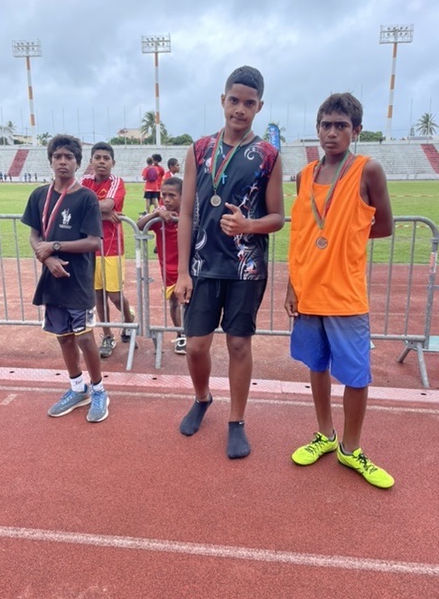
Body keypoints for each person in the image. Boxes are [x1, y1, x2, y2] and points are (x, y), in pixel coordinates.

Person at [284, 92, 394, 488]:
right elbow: (300, 235)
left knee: (356, 375)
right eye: (326, 125)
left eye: (341, 126)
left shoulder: (368, 170)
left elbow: (385, 226)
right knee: (317, 366)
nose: (332, 133)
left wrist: (345, 240)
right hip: (308, 292)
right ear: (317, 129)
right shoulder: (304, 175)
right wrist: (293, 285)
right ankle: (325, 435)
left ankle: (351, 448)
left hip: (346, 295)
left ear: (356, 130)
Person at [175, 65, 285, 459]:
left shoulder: (268, 155)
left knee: (239, 344)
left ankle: (236, 421)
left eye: (249, 103)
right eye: (234, 100)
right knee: (195, 346)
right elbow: (185, 212)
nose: (240, 109)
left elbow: (278, 217)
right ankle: (202, 397)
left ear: (259, 107)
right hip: (202, 265)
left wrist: (248, 225)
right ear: (223, 100)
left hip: (245, 267)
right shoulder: (199, 149)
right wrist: (182, 271)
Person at [21, 134, 109, 423]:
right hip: (52, 279)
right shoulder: (39, 196)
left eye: (68, 157)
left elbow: (94, 241)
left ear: (77, 163)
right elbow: (34, 236)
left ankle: (99, 390)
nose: (62, 161)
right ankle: (77, 388)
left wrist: (55, 246)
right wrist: (47, 258)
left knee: (85, 338)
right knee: (64, 338)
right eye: (57, 156)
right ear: (50, 161)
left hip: (78, 280)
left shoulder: (86, 198)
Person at [80, 141, 135, 358]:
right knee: (97, 295)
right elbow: (74, 204)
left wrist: (94, 209)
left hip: (111, 247)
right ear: (91, 161)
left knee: (114, 295)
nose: (101, 162)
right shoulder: (84, 181)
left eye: (106, 158)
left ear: (113, 162)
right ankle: (107, 335)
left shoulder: (116, 181)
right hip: (88, 247)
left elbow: (108, 205)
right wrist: (101, 215)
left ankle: (129, 320)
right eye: (97, 158)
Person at [137, 176, 185, 354]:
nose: (166, 199)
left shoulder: (190, 214)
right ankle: (180, 334)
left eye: (172, 195)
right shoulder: (159, 216)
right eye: (163, 195)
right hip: (169, 269)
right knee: (174, 302)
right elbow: (139, 225)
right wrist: (156, 214)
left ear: (183, 196)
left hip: (189, 268)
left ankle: (192, 333)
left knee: (191, 302)